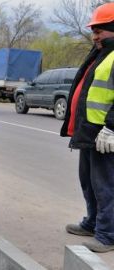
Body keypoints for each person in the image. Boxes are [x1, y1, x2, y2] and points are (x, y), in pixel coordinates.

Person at [60, 2, 114, 253]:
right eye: (94, 30)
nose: (94, 36)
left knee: (106, 185)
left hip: (106, 134)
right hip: (90, 131)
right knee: (90, 182)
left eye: (100, 30)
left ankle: (108, 235)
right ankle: (93, 222)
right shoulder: (101, 53)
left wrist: (111, 127)